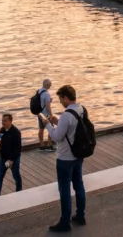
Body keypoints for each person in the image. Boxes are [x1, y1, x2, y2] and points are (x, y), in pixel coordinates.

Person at [45, 85, 88, 232]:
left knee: (64, 190)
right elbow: (73, 129)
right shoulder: (81, 109)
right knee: (79, 185)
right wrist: (58, 123)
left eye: (60, 99)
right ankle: (80, 216)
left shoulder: (66, 115)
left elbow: (56, 137)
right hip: (78, 155)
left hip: (65, 158)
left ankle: (65, 222)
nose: (60, 102)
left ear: (66, 97)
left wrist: (48, 125)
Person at [0, 114, 21, 197]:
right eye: (2, 120)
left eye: (5, 121)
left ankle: (19, 193)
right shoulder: (2, 130)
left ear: (10, 121)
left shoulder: (16, 132)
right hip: (3, 157)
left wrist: (11, 159)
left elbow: (18, 148)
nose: (3, 122)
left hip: (14, 159)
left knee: (16, 177)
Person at [35, 80, 55, 152]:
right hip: (46, 114)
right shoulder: (47, 94)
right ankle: (50, 145)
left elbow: (41, 102)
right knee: (51, 129)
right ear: (48, 85)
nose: (50, 86)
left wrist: (49, 101)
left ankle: (41, 145)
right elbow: (47, 106)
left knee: (41, 129)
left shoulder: (39, 91)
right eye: (50, 85)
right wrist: (51, 115)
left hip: (39, 113)